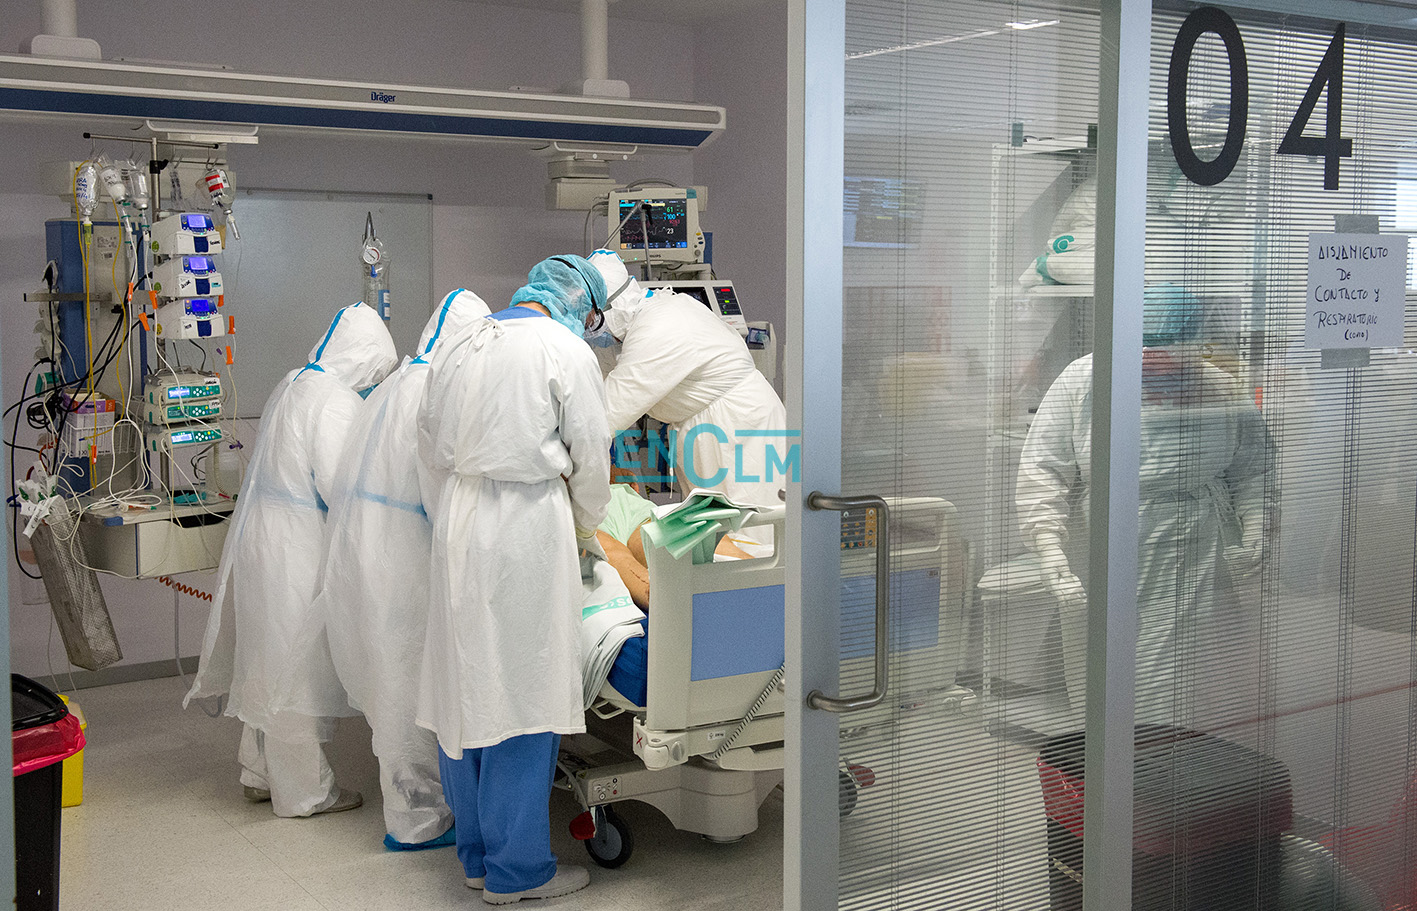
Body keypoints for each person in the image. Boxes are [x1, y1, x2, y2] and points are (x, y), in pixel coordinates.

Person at [417, 255, 611, 904]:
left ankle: (474, 856)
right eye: (594, 316)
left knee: (464, 683)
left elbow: (428, 441)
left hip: (458, 517)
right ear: (580, 307)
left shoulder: (461, 343)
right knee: (524, 689)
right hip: (527, 521)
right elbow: (590, 458)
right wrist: (587, 530)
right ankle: (518, 870)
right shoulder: (564, 349)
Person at [1015, 284, 1272, 727]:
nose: (1155, 370)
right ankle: (1111, 775)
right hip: (1108, 539)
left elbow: (1252, 469)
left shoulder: (1221, 388)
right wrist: (1048, 550)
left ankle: (1170, 769)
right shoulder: (1085, 380)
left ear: (1194, 347)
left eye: (1169, 358)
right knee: (1103, 667)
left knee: (1184, 675)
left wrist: (1256, 524)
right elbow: (1043, 469)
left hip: (1196, 542)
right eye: (1144, 356)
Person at [185, 301, 398, 817]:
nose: (374, 382)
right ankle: (305, 792)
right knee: (293, 667)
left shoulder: (296, 382)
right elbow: (339, 484)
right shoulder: (334, 402)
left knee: (265, 659)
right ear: (366, 359)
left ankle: (258, 771)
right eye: (377, 372)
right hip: (296, 547)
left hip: (264, 539)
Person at [303, 288, 490, 849]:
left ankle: (413, 802)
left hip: (361, 554)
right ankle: (418, 819)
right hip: (402, 562)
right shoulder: (436, 390)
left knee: (391, 683)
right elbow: (446, 495)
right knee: (409, 686)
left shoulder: (394, 384)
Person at [586, 249, 788, 512]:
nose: (588, 327)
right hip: (703, 431)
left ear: (611, 306)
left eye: (590, 318)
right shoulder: (620, 334)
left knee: (754, 531)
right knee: (716, 533)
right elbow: (596, 395)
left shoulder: (662, 323)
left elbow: (608, 412)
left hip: (741, 428)